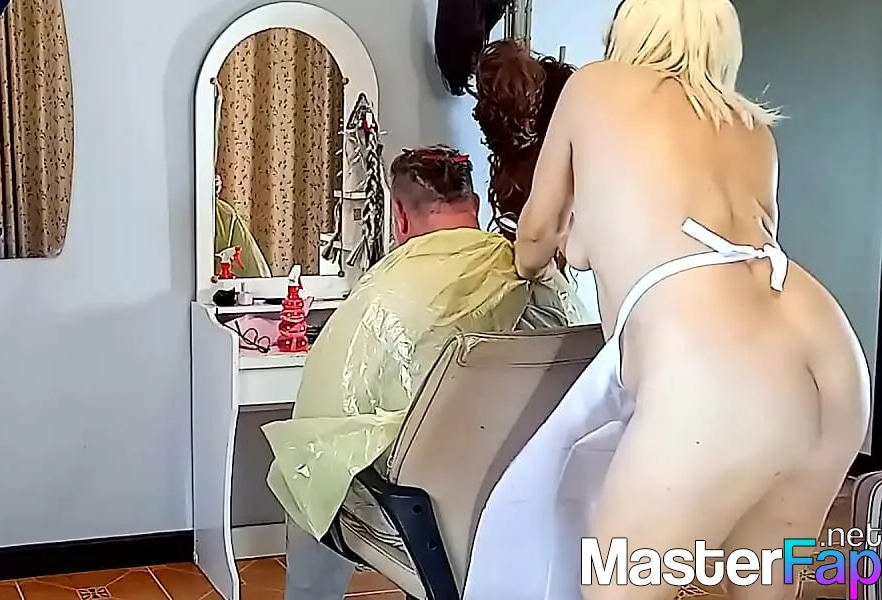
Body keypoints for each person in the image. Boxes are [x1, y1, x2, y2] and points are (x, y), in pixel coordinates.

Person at [480, 1, 869, 599]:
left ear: (628, 26)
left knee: (617, 588)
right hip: (831, 358)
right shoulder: (751, 127)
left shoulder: (596, 86)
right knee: (761, 583)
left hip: (723, 371)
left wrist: (527, 261)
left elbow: (535, 237)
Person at [264, 145, 584, 600]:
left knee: (304, 468)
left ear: (399, 216)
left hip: (424, 511)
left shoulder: (385, 295)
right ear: (476, 206)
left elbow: (323, 422)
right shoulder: (537, 276)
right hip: (529, 498)